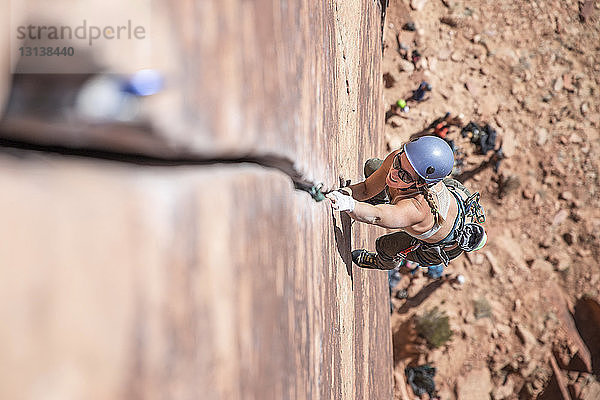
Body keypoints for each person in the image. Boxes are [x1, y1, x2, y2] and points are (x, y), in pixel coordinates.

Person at [326, 136, 486, 271]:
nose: (394, 173)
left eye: (404, 175)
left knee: (387, 245)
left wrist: (350, 205)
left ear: (422, 184)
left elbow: (377, 216)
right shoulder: (403, 159)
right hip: (457, 199)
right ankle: (383, 200)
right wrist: (343, 193)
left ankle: (383, 262)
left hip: (442, 244)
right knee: (373, 167)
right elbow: (366, 189)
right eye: (398, 162)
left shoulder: (416, 208)